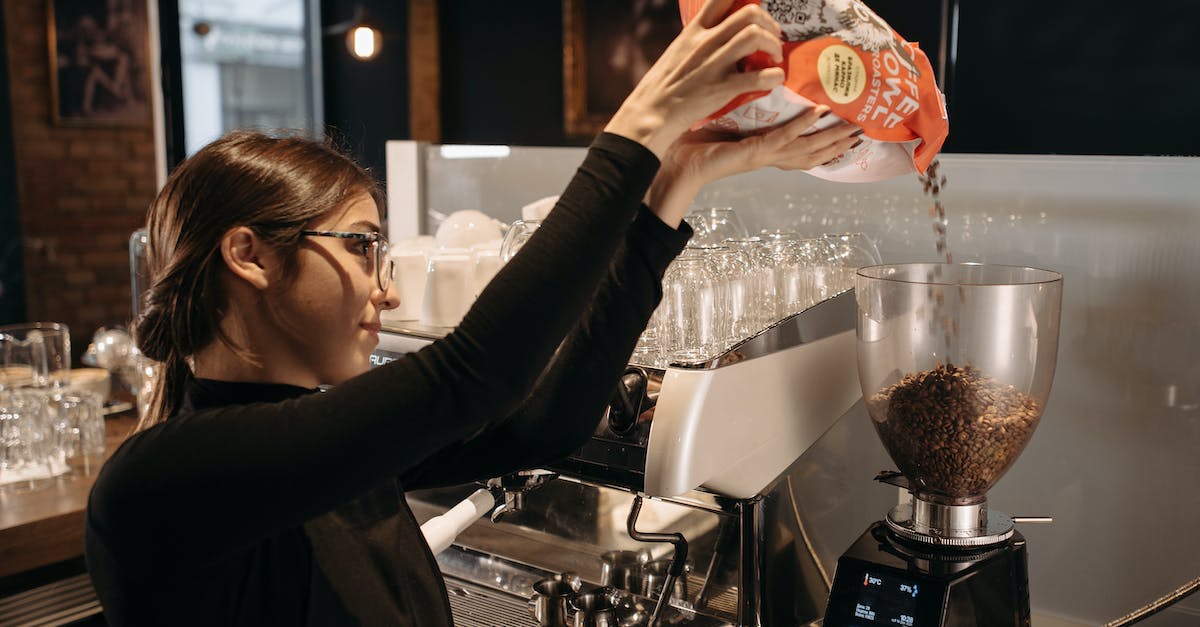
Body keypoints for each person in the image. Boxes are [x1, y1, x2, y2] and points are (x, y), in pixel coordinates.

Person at [84, 1, 864, 624]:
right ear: (248, 255)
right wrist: (640, 128)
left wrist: (674, 184)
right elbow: (476, 374)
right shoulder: (164, 481)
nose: (384, 291)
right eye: (360, 248)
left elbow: (543, 426)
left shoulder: (325, 442)